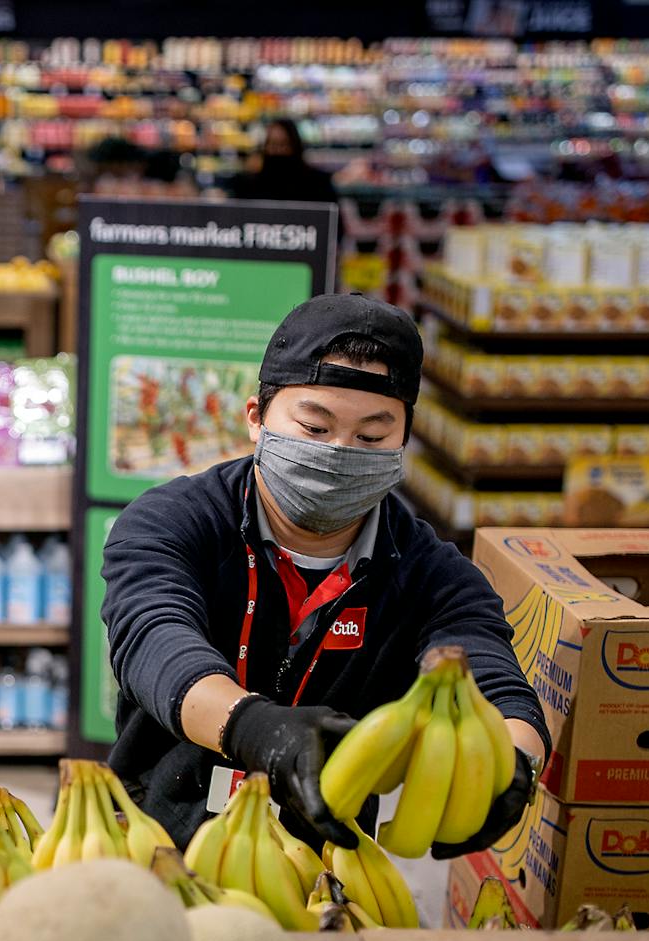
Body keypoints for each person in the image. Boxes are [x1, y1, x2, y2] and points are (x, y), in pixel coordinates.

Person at [100, 293, 548, 852]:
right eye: (314, 428)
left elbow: (495, 682)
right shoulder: (172, 522)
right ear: (256, 418)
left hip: (325, 860)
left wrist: (515, 763)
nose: (339, 453)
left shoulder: (430, 574)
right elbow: (153, 636)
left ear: (403, 440)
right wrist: (251, 727)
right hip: (151, 831)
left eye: (370, 438)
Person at [234, 118, 338, 206]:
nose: (277, 150)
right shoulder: (248, 186)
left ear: (295, 146)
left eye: (283, 144)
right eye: (272, 144)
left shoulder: (318, 185)